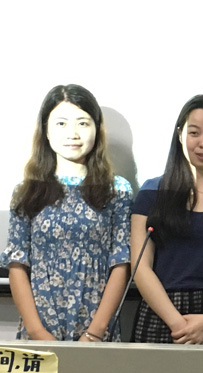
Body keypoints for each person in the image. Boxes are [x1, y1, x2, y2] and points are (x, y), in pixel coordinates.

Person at [0, 84, 132, 342]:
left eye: (83, 123)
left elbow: (121, 263)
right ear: (46, 131)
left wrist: (94, 332)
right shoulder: (26, 191)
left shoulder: (117, 190)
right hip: (40, 327)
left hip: (97, 328)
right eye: (61, 123)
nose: (73, 133)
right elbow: (17, 264)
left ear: (97, 129)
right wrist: (38, 332)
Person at [131, 94, 203, 344]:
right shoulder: (151, 192)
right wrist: (178, 324)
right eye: (194, 133)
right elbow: (140, 267)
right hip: (160, 313)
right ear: (180, 135)